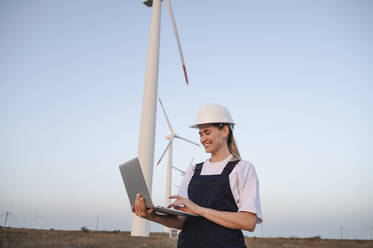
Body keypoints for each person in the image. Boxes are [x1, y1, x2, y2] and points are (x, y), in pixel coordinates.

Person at [131, 103, 263, 248]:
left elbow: (248, 222)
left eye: (207, 132)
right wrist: (150, 215)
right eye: (200, 134)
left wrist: (199, 209)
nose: (202, 139)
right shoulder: (193, 170)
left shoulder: (243, 168)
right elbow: (181, 221)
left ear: (224, 131)